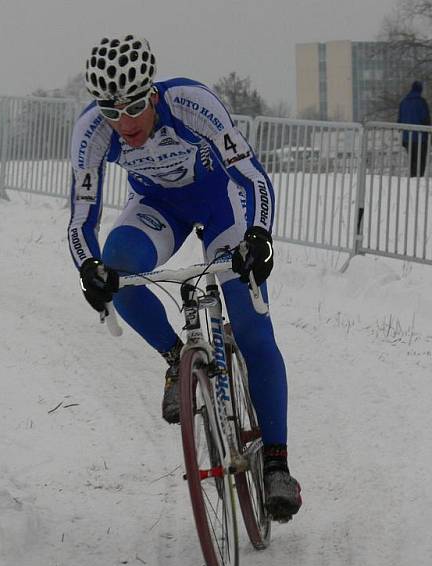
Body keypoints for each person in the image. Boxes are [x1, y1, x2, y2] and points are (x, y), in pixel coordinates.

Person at [68, 35, 301, 521]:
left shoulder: (193, 103)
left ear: (151, 93)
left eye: (133, 106)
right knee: (118, 271)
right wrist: (89, 269)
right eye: (112, 112)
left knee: (253, 327)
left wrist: (260, 235)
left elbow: (253, 177)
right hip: (160, 208)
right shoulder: (92, 132)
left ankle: (276, 463)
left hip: (222, 205)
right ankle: (178, 361)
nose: (125, 123)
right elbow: (80, 220)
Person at [398, 81, 430, 177]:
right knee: (421, 160)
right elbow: (426, 120)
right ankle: (419, 180)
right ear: (420, 89)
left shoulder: (403, 102)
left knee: (412, 161)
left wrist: (403, 137)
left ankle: (412, 179)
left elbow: (399, 121)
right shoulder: (421, 102)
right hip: (421, 138)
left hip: (408, 137)